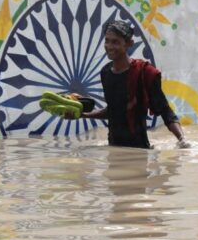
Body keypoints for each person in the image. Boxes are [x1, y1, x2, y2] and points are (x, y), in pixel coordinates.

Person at [79, 21, 189, 149]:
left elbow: (165, 111)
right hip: (114, 150)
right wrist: (83, 115)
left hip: (139, 151)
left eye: (115, 42)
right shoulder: (105, 73)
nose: (109, 46)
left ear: (129, 44)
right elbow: (114, 111)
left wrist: (182, 140)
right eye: (107, 41)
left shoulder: (145, 73)